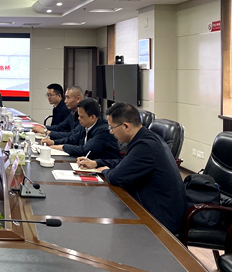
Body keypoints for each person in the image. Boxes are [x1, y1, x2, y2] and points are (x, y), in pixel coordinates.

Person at [77, 102, 187, 233]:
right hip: (150, 205)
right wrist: (97, 163)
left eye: (112, 127)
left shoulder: (146, 146)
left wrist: (105, 171)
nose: (111, 132)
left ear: (126, 126)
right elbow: (125, 162)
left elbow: (116, 177)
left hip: (160, 219)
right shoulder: (145, 138)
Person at [48, 98, 120, 160]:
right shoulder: (85, 124)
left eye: (81, 117)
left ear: (92, 117)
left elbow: (84, 150)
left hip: (104, 167)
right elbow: (73, 139)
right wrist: (53, 142)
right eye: (79, 116)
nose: (79, 118)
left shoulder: (104, 130)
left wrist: (62, 147)